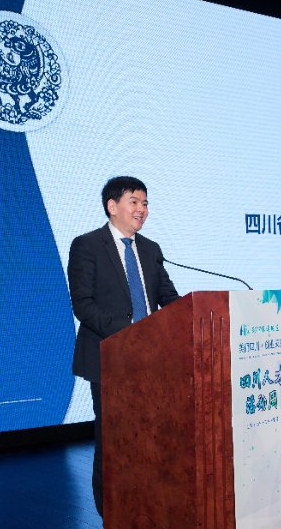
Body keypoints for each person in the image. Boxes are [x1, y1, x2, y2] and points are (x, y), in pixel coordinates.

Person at [67, 176, 180, 517]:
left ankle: (148, 504)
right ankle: (111, 512)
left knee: (151, 436)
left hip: (152, 359)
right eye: (134, 201)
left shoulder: (151, 249)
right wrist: (131, 332)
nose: (142, 209)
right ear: (112, 206)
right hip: (109, 357)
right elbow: (83, 305)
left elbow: (168, 298)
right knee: (114, 439)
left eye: (145, 203)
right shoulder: (87, 245)